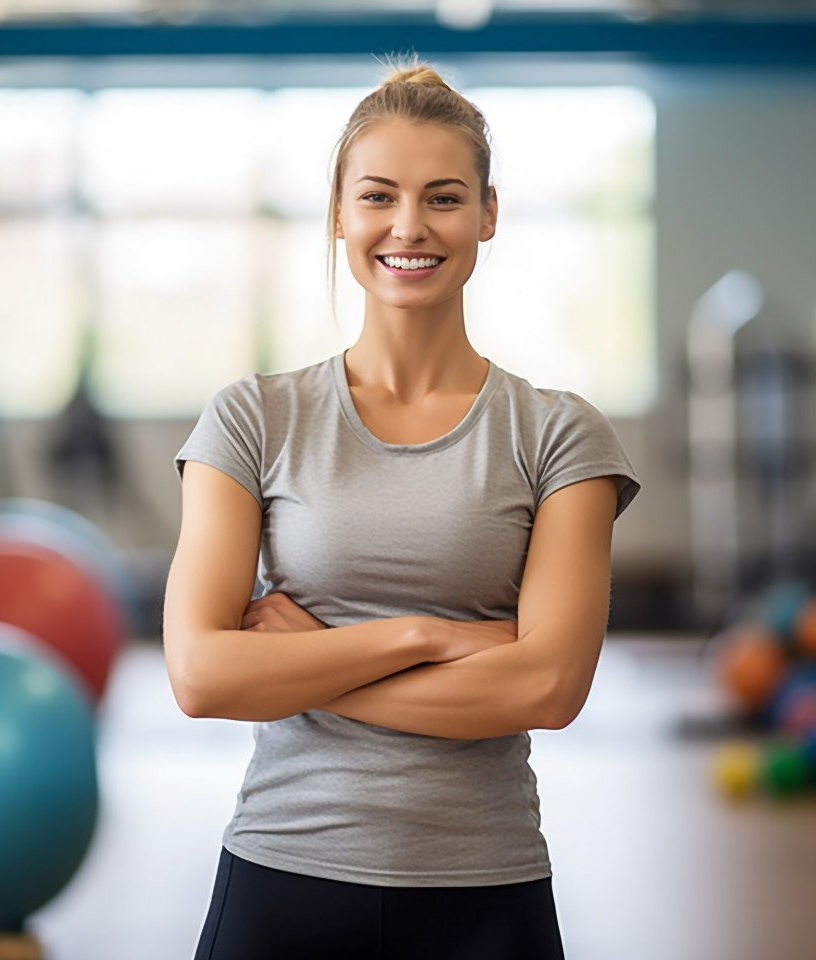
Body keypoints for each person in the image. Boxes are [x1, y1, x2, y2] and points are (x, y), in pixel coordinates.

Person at [164, 61, 640, 960]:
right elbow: (201, 676)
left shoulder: (559, 436)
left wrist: (308, 654)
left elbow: (548, 687)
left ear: (489, 214)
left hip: (486, 891)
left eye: (444, 197)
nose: (409, 227)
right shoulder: (253, 418)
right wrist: (432, 637)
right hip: (283, 877)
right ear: (340, 214)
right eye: (378, 196)